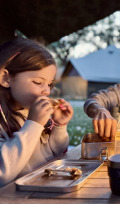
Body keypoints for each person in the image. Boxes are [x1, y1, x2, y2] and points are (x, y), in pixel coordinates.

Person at [0, 38, 74, 187]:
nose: (46, 90)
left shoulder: (28, 111)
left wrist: (59, 126)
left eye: (49, 84)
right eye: (38, 82)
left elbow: (52, 155)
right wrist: (33, 124)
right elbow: (3, 172)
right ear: (5, 78)